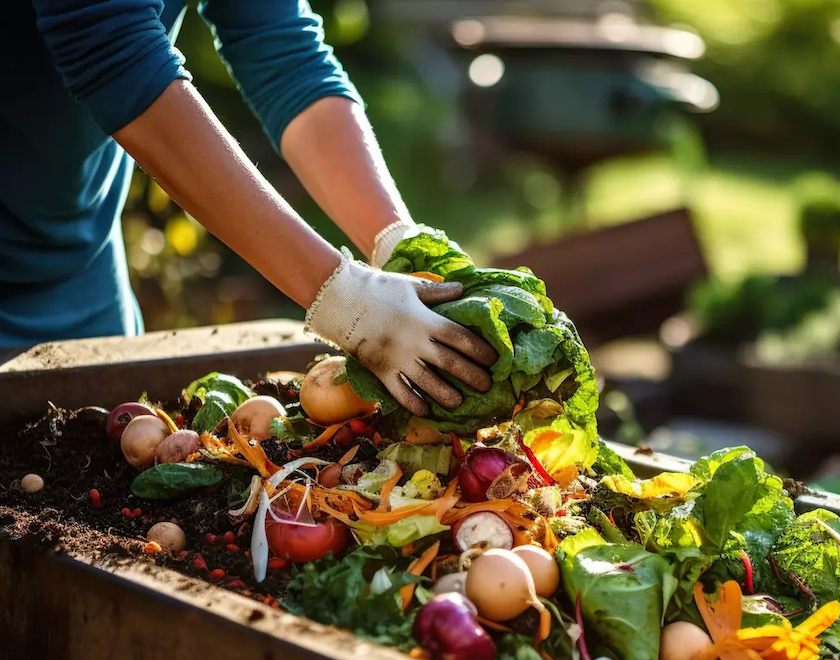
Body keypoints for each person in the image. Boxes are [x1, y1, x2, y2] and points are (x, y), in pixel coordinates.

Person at [1, 0, 497, 416]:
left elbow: (281, 50)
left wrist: (399, 242)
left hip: (78, 267)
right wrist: (345, 298)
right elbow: (110, 44)